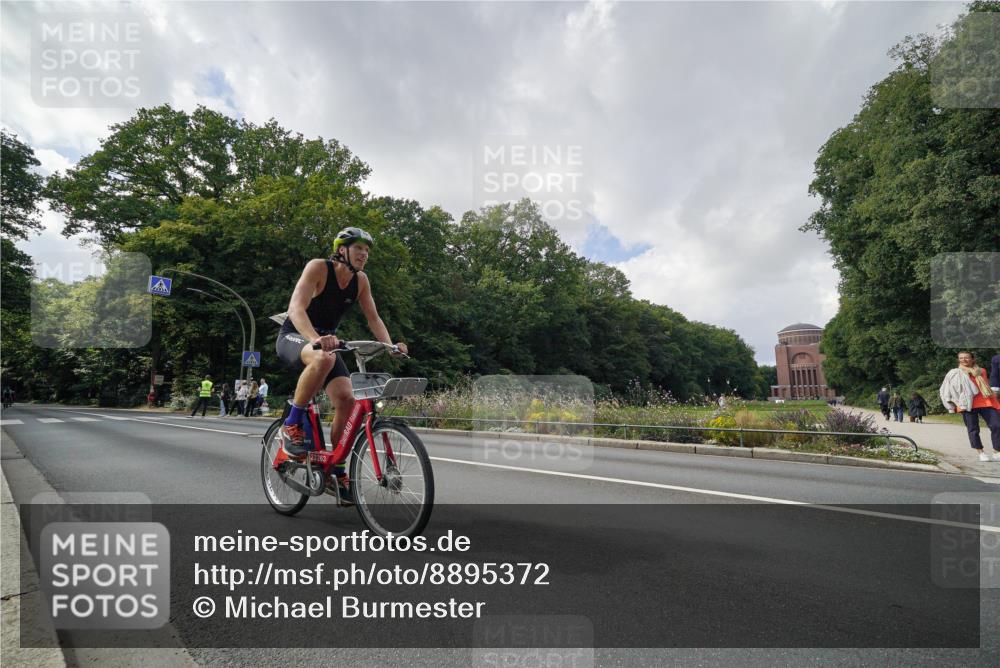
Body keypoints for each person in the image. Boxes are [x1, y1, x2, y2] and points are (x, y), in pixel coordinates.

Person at [275, 227, 407, 500]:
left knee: (347, 399)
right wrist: (315, 338)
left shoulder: (361, 281)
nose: (364, 254)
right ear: (342, 249)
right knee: (323, 357)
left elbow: (373, 318)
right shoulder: (318, 268)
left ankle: (336, 469)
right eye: (359, 248)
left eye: (367, 250)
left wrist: (391, 345)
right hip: (295, 335)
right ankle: (292, 423)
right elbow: (296, 309)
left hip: (329, 344)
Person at [939, 351, 1000, 462]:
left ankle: (997, 451)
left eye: (966, 357)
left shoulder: (982, 371)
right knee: (973, 429)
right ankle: (980, 452)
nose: (964, 360)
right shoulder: (955, 373)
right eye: (961, 358)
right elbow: (948, 388)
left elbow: (987, 386)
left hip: (986, 402)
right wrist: (952, 403)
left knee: (997, 426)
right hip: (967, 404)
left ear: (973, 359)